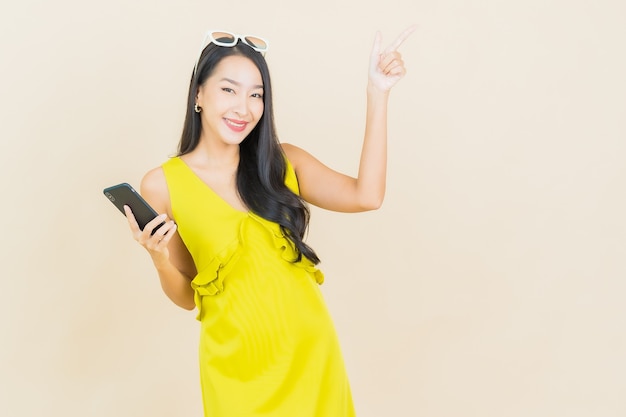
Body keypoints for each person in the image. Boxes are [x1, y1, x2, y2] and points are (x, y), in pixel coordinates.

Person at [124, 26, 415, 417]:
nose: (243, 108)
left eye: (256, 94)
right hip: (234, 373)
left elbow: (367, 195)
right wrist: (157, 257)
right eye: (229, 89)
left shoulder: (283, 162)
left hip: (311, 358)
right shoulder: (161, 184)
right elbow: (189, 295)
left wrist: (378, 94)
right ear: (199, 94)